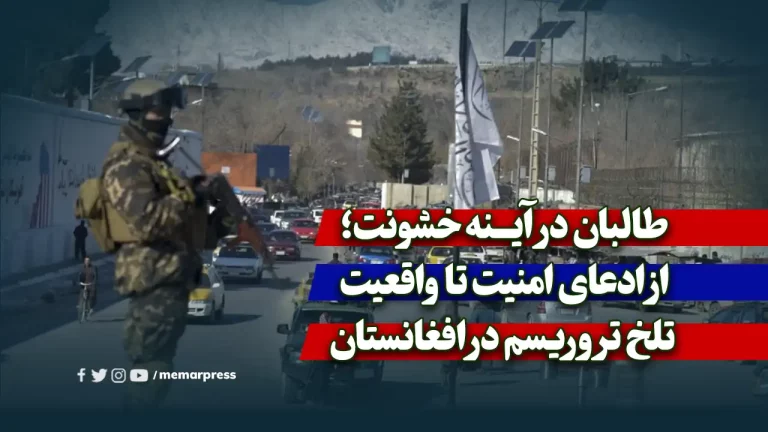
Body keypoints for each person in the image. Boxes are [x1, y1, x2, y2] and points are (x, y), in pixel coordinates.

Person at [100, 79, 205, 409]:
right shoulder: (128, 163)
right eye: (161, 112)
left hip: (167, 279)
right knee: (151, 369)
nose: (168, 119)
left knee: (157, 367)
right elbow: (146, 221)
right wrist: (188, 197)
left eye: (169, 111)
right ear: (138, 113)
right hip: (153, 280)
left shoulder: (153, 161)